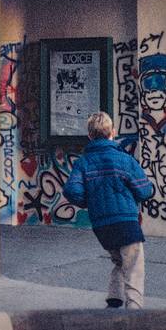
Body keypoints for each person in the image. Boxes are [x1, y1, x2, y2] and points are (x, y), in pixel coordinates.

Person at [63, 111, 154, 310]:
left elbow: (72, 190)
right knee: (134, 266)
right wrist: (135, 196)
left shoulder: (83, 162)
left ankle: (114, 300)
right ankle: (135, 309)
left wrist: (89, 202)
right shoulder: (124, 159)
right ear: (113, 132)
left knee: (120, 261)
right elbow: (145, 190)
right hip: (126, 221)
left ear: (89, 136)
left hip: (102, 225)